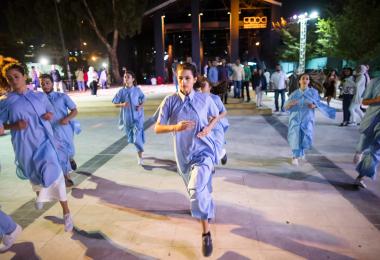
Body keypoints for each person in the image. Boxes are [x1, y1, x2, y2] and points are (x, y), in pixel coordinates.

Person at [155, 63, 219, 257]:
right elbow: (157, 128)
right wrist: (176, 127)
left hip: (204, 151)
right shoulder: (170, 101)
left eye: (187, 78)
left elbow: (215, 116)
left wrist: (208, 128)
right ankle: (206, 203)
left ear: (195, 79)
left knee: (196, 190)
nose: (183, 82)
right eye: (180, 78)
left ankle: (206, 233)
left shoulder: (204, 99)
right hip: (184, 155)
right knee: (197, 190)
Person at [0, 63, 73, 232]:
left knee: (54, 173)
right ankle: (41, 193)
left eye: (16, 77)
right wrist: (14, 126)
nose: (13, 80)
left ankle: (67, 212)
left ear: (24, 76)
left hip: (45, 140)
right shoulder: (7, 102)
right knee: (35, 174)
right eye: (9, 78)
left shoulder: (39, 96)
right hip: (25, 144)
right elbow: (2, 124)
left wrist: (49, 115)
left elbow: (49, 111)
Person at [285, 73, 336, 166]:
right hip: (295, 119)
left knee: (306, 136)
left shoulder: (313, 92)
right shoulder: (294, 93)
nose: (305, 80)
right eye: (303, 78)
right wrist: (291, 104)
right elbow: (285, 107)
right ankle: (295, 156)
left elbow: (318, 104)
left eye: (307, 79)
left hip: (307, 118)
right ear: (299, 81)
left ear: (309, 81)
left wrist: (314, 105)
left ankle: (301, 152)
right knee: (295, 137)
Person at [40, 74, 81, 187]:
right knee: (60, 153)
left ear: (52, 83)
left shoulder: (62, 96)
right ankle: (66, 177)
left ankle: (71, 158)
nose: (45, 85)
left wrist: (67, 118)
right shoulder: (39, 99)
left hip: (65, 128)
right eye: (42, 84)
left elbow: (74, 110)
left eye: (47, 83)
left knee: (70, 150)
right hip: (50, 131)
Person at [112, 71, 145, 165]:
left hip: (138, 118)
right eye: (125, 77)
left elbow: (143, 99)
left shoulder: (137, 90)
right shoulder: (121, 91)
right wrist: (122, 104)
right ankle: (140, 149)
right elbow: (115, 103)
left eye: (128, 77)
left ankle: (140, 156)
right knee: (132, 139)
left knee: (137, 138)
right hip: (127, 119)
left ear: (133, 79)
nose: (126, 78)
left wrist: (140, 106)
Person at [352, 77, 380, 188]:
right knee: (363, 146)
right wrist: (377, 100)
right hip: (371, 120)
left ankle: (361, 176)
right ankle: (359, 151)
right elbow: (364, 102)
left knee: (375, 151)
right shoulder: (375, 82)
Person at [195, 76, 229, 165]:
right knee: (205, 147)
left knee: (216, 145)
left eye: (203, 86)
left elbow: (224, 112)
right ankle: (214, 159)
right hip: (204, 126)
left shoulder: (215, 99)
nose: (201, 89)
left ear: (209, 87)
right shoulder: (198, 99)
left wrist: (216, 118)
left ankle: (219, 155)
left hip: (216, 126)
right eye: (200, 86)